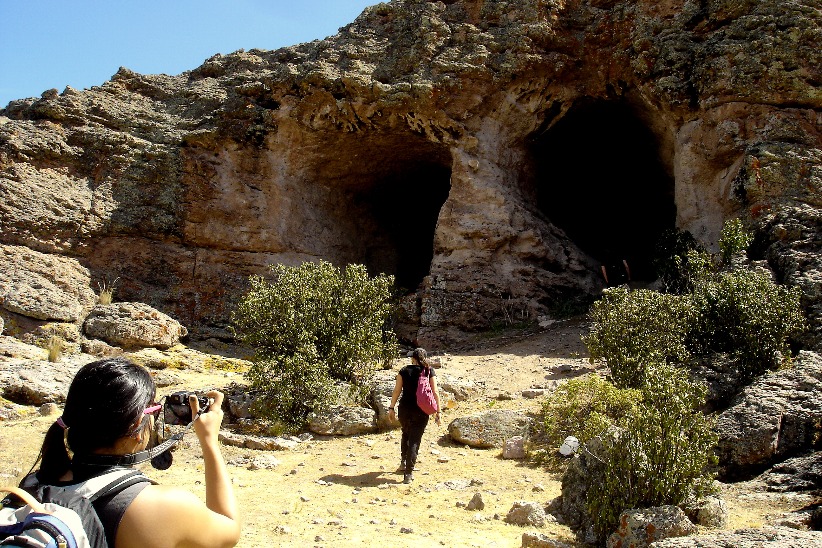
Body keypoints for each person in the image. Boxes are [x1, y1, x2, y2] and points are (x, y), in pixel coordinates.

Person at [21, 357, 241, 548]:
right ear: (137, 425)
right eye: (154, 409)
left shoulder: (32, 485)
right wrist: (209, 440)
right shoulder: (162, 506)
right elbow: (229, 530)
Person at [387, 347, 442, 484]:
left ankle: (403, 463)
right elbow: (435, 392)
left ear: (413, 359)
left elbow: (396, 391)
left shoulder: (404, 371)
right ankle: (408, 474)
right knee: (415, 440)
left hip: (404, 409)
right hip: (421, 410)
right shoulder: (429, 371)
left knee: (405, 434)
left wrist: (391, 407)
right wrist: (438, 411)